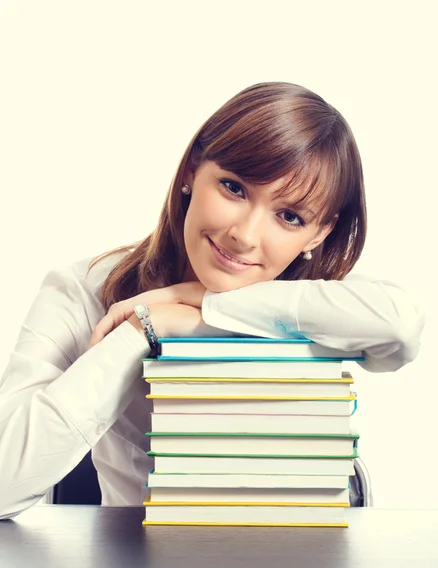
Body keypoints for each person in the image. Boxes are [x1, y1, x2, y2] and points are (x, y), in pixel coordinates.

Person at [0, 81, 424, 520]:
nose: (245, 235)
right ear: (192, 171)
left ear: (317, 233)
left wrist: (199, 305)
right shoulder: (83, 290)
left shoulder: (319, 303)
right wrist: (139, 333)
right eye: (234, 188)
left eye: (289, 216)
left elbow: (400, 327)